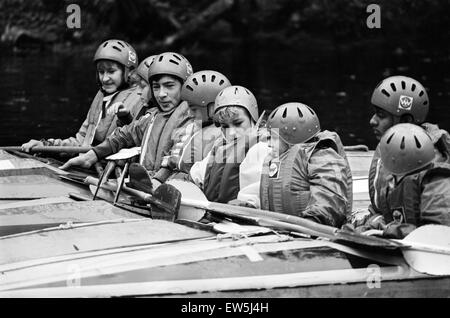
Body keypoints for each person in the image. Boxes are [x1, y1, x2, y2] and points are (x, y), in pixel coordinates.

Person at [60, 52, 195, 190]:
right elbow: (124, 135)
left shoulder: (192, 120)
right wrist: (93, 155)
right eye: (156, 87)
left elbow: (176, 160)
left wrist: (156, 182)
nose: (161, 94)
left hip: (169, 187)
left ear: (184, 87)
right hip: (147, 186)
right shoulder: (152, 117)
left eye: (169, 86)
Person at [348, 75, 450, 231]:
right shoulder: (386, 149)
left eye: (381, 115)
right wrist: (368, 225)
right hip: (397, 235)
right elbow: (380, 209)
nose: (372, 121)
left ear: (406, 121)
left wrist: (389, 230)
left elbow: (438, 230)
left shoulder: (434, 161)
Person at [236, 102, 353, 227]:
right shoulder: (275, 160)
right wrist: (252, 205)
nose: (269, 144)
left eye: (273, 138)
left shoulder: (322, 157)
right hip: (283, 229)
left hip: (315, 230)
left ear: (291, 138)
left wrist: (314, 220)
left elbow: (330, 196)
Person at [21, 39, 148, 153]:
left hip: (108, 165)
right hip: (88, 162)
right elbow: (81, 141)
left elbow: (138, 139)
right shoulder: (101, 95)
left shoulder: (140, 97)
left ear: (129, 72)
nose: (104, 78)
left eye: (111, 71)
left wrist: (125, 118)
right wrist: (46, 145)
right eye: (101, 72)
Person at [189, 85, 265, 203]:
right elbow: (196, 175)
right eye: (225, 126)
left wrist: (248, 204)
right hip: (215, 215)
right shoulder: (219, 148)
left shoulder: (262, 148)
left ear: (253, 118)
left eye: (238, 123)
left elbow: (261, 190)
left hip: (244, 216)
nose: (232, 133)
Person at [375, 123, 450, 238]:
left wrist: (393, 231)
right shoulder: (391, 181)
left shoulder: (438, 180)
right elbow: (379, 215)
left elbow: (438, 233)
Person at [164, 70, 232, 180]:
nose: (190, 114)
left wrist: (173, 162)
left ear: (212, 108)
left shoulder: (226, 136)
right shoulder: (193, 129)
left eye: (194, 109)